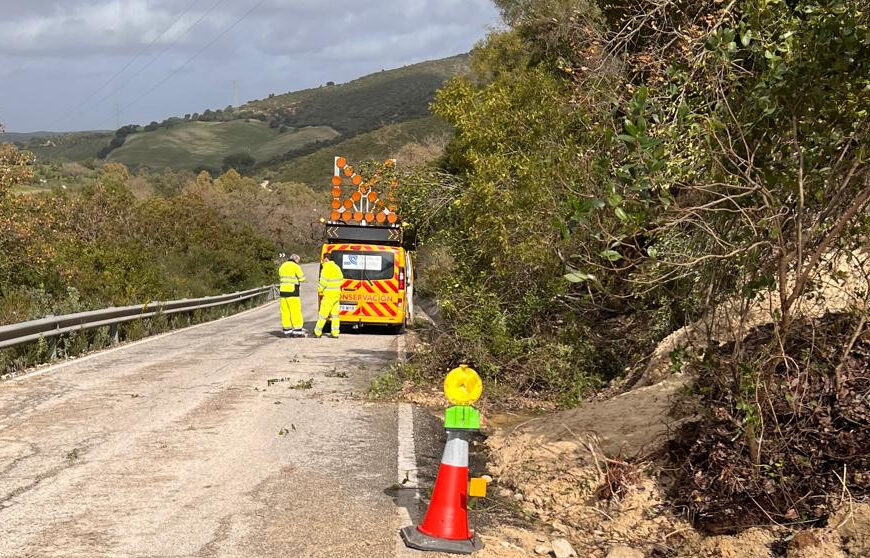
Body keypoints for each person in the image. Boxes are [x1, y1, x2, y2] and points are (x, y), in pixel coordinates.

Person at [314, 252, 344, 338]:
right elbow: (341, 280)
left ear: (326, 258)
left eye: (324, 259)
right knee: (335, 316)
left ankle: (317, 332)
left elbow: (323, 281)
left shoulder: (326, 268)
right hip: (336, 295)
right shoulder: (337, 267)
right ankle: (335, 333)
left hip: (328, 295)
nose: (323, 261)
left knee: (323, 315)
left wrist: (319, 289)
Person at [278, 254, 306, 337]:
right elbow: (302, 278)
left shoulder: (282, 266)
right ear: (296, 260)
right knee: (295, 311)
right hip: (293, 292)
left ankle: (287, 330)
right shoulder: (296, 266)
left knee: (285, 312)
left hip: (283, 291)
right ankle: (297, 330)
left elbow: (280, 276)